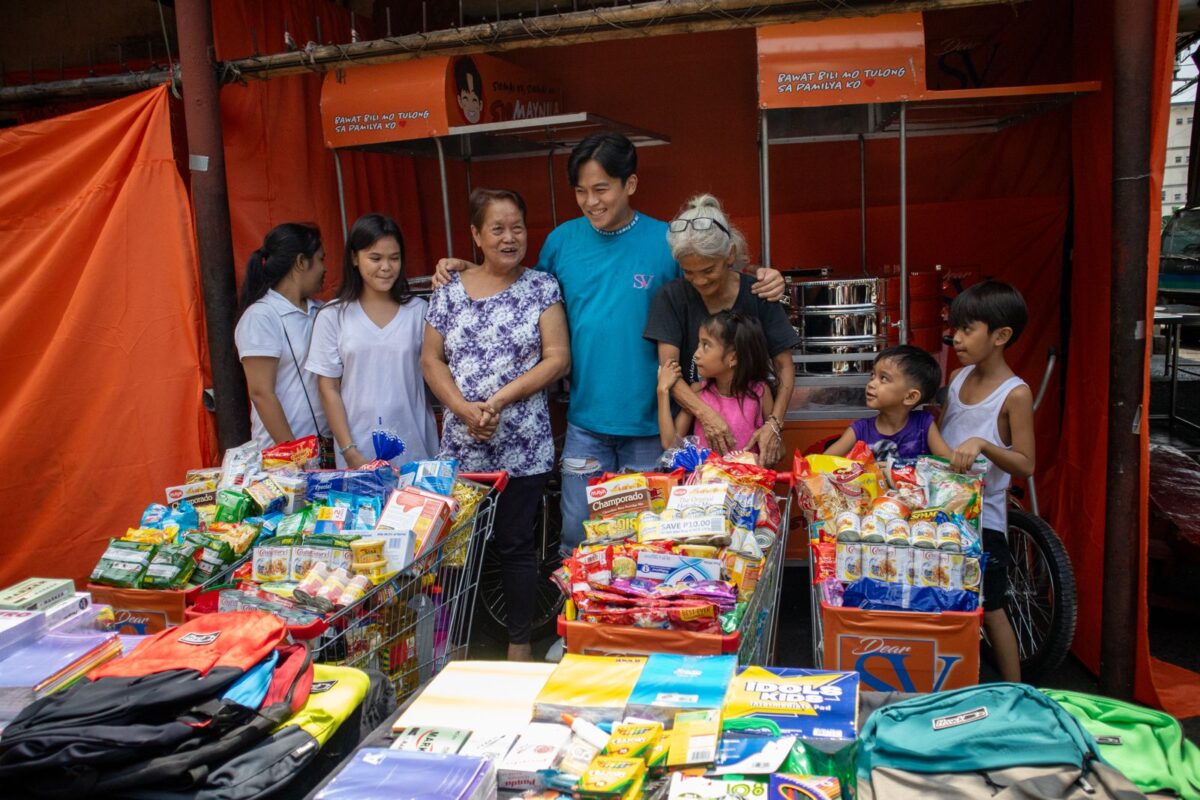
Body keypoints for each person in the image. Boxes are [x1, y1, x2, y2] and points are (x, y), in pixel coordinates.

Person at [434, 133, 785, 554]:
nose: (590, 201)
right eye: (581, 191)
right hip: (587, 424)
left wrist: (765, 276)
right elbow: (520, 288)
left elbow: (713, 281)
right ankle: (578, 619)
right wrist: (469, 267)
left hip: (653, 426)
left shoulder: (666, 242)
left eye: (601, 189)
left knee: (650, 540)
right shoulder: (562, 242)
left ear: (630, 185)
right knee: (577, 538)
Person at [421, 188, 570, 662]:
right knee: (457, 549)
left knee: (516, 545)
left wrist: (499, 401)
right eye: (498, 229)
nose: (510, 238)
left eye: (518, 228)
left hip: (522, 441)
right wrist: (462, 408)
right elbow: (431, 359)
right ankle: (454, 645)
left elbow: (558, 358)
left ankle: (519, 645)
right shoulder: (447, 292)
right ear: (475, 236)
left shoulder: (542, 287)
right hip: (464, 444)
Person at [644, 195, 798, 466]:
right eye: (688, 273)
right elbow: (669, 370)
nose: (699, 281)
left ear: (730, 254)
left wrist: (774, 425)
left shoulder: (758, 293)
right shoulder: (671, 297)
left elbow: (784, 366)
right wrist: (706, 414)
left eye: (708, 269)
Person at [939, 280, 1035, 683]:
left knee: (991, 607)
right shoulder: (959, 378)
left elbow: (1025, 464)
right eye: (956, 328)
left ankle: (1017, 692)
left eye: (967, 330)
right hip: (942, 510)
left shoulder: (1015, 394)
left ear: (1001, 336)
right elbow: (941, 438)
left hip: (985, 521)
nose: (956, 338)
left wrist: (983, 444)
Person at [306, 213, 438, 469]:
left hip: (417, 448)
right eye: (375, 258)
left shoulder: (419, 311)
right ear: (354, 258)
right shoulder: (334, 315)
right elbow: (328, 388)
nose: (386, 267)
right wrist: (350, 451)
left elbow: (438, 372)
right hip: (357, 452)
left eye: (394, 258)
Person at [233, 222, 331, 452]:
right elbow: (261, 393)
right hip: (282, 458)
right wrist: (294, 454)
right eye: (320, 259)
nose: (325, 268)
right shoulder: (261, 316)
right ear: (300, 262)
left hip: (325, 451)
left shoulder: (324, 311)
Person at [657, 311, 774, 455]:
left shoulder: (760, 392)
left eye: (706, 345)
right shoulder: (698, 391)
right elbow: (670, 445)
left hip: (747, 477)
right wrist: (662, 390)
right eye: (699, 344)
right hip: (706, 477)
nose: (696, 354)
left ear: (733, 358)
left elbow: (778, 449)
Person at [824, 344, 952, 462]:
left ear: (910, 397)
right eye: (872, 375)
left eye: (883, 378)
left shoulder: (924, 425)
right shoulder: (860, 429)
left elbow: (947, 461)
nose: (871, 384)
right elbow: (824, 461)